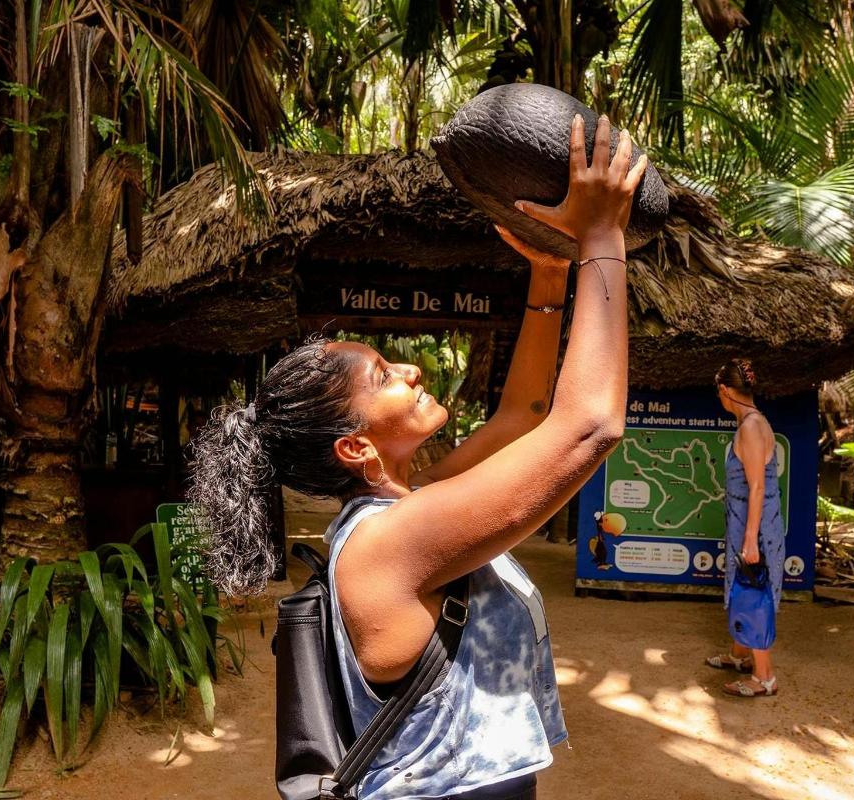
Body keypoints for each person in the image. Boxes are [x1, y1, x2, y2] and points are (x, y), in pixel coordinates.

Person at [189, 116, 646, 799]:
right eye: (380, 376)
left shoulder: (411, 504)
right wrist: (602, 235)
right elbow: (588, 427)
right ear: (355, 446)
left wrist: (550, 276)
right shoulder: (391, 543)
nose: (410, 368)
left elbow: (524, 417)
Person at [705, 358, 784, 697]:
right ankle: (739, 654)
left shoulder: (750, 427)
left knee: (754, 593)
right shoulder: (755, 422)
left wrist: (751, 540)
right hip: (749, 523)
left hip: (756, 529)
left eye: (719, 394)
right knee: (744, 587)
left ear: (726, 391)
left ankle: (764, 676)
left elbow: (757, 487)